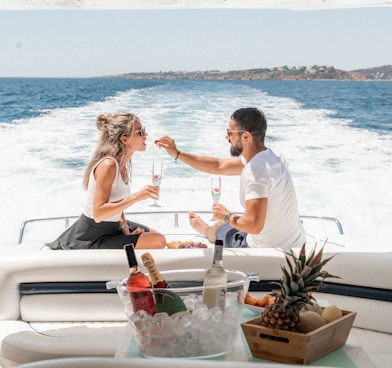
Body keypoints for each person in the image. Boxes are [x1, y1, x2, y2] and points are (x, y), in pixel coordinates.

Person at [155, 107, 305, 250]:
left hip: (263, 250)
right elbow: (219, 166)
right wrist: (177, 154)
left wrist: (227, 216)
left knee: (219, 226)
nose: (227, 137)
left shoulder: (255, 171)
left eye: (230, 132)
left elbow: (254, 225)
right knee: (232, 221)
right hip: (297, 245)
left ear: (246, 136)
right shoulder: (273, 157)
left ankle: (206, 230)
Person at [47, 112, 166, 250]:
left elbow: (117, 205)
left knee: (155, 235)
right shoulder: (108, 165)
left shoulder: (122, 165)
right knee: (158, 241)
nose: (146, 134)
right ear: (124, 139)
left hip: (113, 227)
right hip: (92, 236)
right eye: (140, 132)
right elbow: (98, 214)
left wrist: (126, 232)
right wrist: (136, 197)